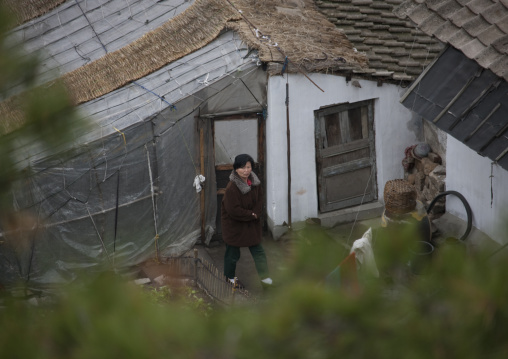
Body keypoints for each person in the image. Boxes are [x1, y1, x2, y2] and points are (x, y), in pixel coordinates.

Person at [221, 154, 273, 289]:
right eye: (242, 168)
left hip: (251, 224)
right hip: (235, 225)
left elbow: (260, 199)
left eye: (249, 167)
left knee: (259, 252)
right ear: (236, 169)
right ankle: (230, 278)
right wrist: (252, 214)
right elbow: (233, 210)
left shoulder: (255, 183)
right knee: (232, 254)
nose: (246, 171)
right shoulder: (232, 187)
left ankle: (266, 279)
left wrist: (256, 213)